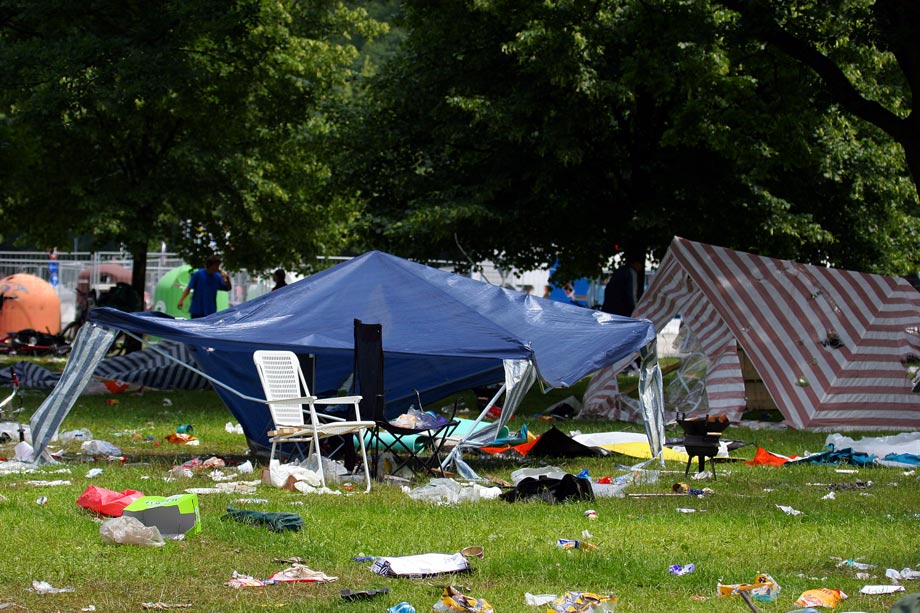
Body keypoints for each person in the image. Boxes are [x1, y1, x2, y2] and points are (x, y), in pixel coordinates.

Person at [602, 252, 644, 316]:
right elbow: (632, 294)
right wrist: (636, 310)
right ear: (636, 264)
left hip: (609, 308)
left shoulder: (620, 270)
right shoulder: (632, 273)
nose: (641, 268)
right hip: (621, 310)